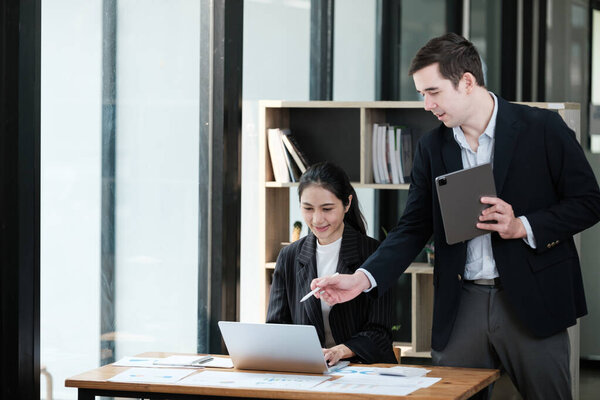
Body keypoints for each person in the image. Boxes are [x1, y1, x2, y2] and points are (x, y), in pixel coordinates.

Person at [312, 33, 600, 399]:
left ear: (466, 81)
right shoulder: (433, 146)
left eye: (433, 92)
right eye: (422, 94)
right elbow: (414, 226)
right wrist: (362, 278)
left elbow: (589, 201)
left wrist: (523, 226)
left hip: (534, 299)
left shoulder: (542, 129)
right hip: (461, 303)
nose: (427, 105)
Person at [266, 161, 397, 366]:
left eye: (327, 209)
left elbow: (379, 334)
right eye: (308, 208)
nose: (317, 219)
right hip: (307, 370)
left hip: (362, 368)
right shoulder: (289, 257)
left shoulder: (375, 255)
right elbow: (276, 327)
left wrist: (339, 352)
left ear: (347, 204)